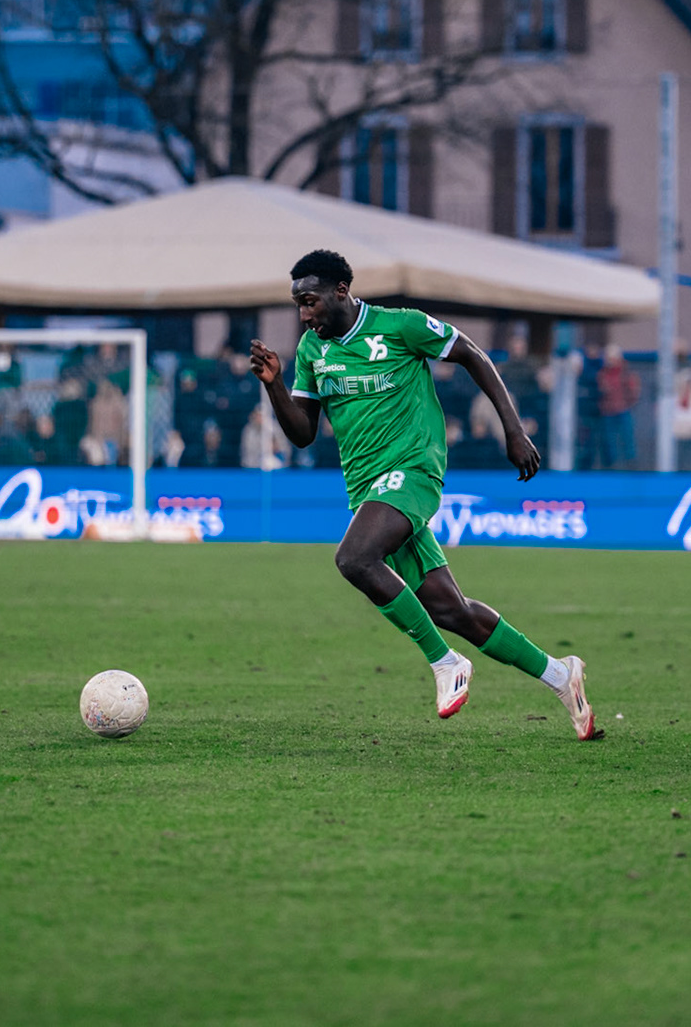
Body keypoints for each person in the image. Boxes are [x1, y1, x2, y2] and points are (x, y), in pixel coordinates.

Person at [249, 249, 597, 739]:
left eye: (310, 302)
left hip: (413, 470)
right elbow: (303, 432)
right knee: (451, 610)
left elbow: (473, 355)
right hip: (369, 487)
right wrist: (275, 386)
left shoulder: (401, 326)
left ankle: (444, 661)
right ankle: (561, 676)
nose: (304, 315)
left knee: (354, 558)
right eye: (298, 305)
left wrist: (513, 430)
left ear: (341, 291)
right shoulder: (312, 351)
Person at [595, 345, 639, 469]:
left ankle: (631, 465)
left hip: (623, 410)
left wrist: (627, 402)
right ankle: (611, 466)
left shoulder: (626, 372)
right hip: (608, 412)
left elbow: (633, 391)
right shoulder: (603, 373)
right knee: (609, 441)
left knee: (627, 439)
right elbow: (600, 390)